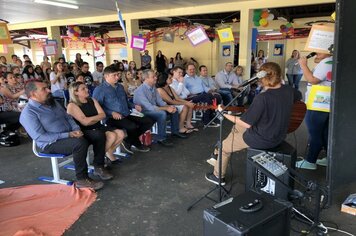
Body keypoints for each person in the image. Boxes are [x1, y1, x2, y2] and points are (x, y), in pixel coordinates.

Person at [205, 62, 300, 185]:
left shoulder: (263, 98)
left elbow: (246, 124)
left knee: (226, 146)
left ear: (261, 77)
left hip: (262, 138)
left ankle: (217, 175)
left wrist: (224, 114)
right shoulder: (288, 90)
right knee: (237, 126)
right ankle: (217, 152)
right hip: (279, 134)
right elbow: (299, 98)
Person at [20, 80, 110, 190]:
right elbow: (40, 137)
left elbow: (68, 117)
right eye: (44, 89)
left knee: (98, 134)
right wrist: (68, 135)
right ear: (33, 94)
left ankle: (98, 166)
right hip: (51, 143)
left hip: (70, 134)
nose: (49, 90)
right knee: (80, 143)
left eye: (47, 87)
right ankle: (82, 179)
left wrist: (76, 129)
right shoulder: (29, 113)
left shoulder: (53, 103)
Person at [93, 65, 153, 154]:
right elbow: (97, 107)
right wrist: (111, 112)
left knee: (148, 121)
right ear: (106, 76)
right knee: (132, 126)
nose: (117, 77)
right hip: (111, 118)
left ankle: (129, 140)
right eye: (114, 75)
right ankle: (136, 143)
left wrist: (134, 106)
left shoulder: (120, 87)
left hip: (126, 113)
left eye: (118, 74)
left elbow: (125, 101)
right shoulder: (100, 89)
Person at [67, 82, 125, 164]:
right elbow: (85, 123)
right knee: (112, 135)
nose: (87, 89)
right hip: (85, 130)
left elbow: (103, 115)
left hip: (98, 126)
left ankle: (107, 153)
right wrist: (95, 118)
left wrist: (90, 119)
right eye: (83, 89)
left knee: (121, 133)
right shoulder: (72, 105)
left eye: (86, 87)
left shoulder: (92, 100)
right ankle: (99, 160)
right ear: (75, 92)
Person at [295, 52, 333, 170]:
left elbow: (312, 80)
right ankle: (328, 158)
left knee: (315, 133)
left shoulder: (325, 63)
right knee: (325, 132)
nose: (316, 52)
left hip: (317, 104)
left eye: (319, 50)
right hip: (327, 103)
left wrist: (303, 65)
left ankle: (310, 161)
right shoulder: (332, 61)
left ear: (328, 50)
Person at [134, 69, 187, 146]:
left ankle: (175, 132)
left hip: (153, 109)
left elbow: (161, 103)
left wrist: (170, 107)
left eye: (155, 76)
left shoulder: (153, 88)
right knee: (162, 114)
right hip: (143, 111)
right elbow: (149, 107)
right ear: (146, 79)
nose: (156, 78)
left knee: (174, 109)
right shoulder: (140, 90)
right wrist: (166, 108)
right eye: (153, 77)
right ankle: (161, 138)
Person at [184, 63, 219, 127]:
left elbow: (204, 87)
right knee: (207, 97)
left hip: (202, 94)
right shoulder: (185, 79)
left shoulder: (197, 77)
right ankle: (206, 121)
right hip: (192, 97)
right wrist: (190, 93)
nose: (192, 70)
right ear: (186, 70)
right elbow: (183, 90)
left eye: (193, 69)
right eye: (190, 69)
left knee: (216, 96)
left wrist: (211, 91)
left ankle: (211, 116)